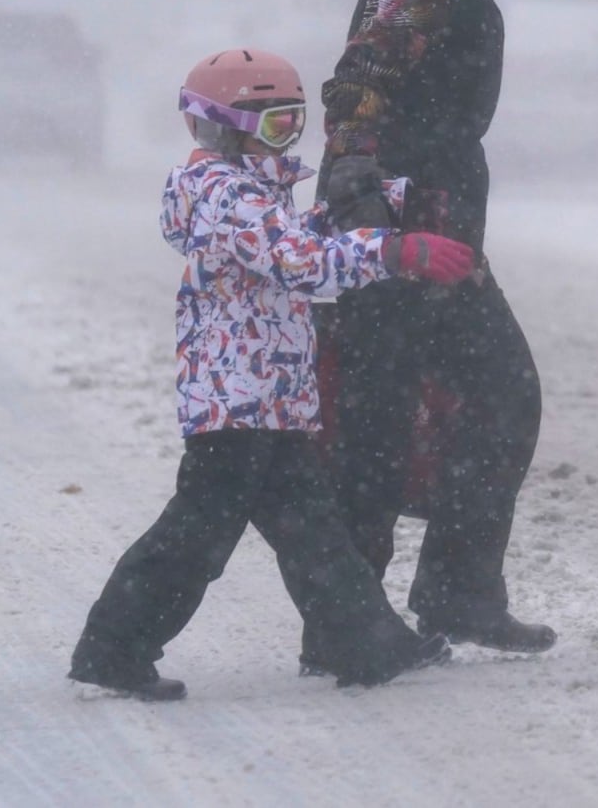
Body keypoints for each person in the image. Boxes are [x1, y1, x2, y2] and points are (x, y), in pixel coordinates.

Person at [69, 48, 476, 698]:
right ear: (225, 126)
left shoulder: (250, 192)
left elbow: (293, 237)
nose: (285, 138)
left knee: (311, 527)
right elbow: (297, 262)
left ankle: (366, 644)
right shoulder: (222, 192)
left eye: (294, 123)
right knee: (197, 533)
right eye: (274, 125)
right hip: (235, 400)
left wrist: (372, 205)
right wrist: (395, 251)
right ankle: (115, 646)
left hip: (271, 395)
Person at [316, 0, 585, 655]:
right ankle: (346, 627)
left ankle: (458, 594)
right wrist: (357, 177)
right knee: (375, 425)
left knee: (499, 396)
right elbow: (364, 71)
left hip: (442, 227)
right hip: (394, 225)